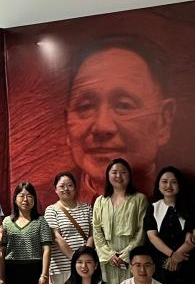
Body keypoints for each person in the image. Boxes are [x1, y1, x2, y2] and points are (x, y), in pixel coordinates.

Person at [65, 39, 176, 202]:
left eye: (124, 105)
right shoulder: (42, 199)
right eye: (85, 106)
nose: (102, 126)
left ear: (163, 121)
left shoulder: (186, 199)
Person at [92, 158, 149, 284]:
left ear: (129, 175)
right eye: (114, 172)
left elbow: (141, 231)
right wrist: (109, 255)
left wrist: (125, 255)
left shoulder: (139, 199)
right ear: (108, 175)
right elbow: (97, 231)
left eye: (123, 172)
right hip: (107, 261)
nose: (118, 176)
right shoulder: (100, 201)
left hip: (132, 259)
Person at [44, 171, 94, 284]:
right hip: (62, 267)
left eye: (70, 185)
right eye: (62, 186)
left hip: (84, 267)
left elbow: (91, 234)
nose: (66, 189)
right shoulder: (51, 210)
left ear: (75, 188)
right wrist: (75, 258)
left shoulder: (87, 208)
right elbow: (56, 237)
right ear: (56, 189)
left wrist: (84, 258)